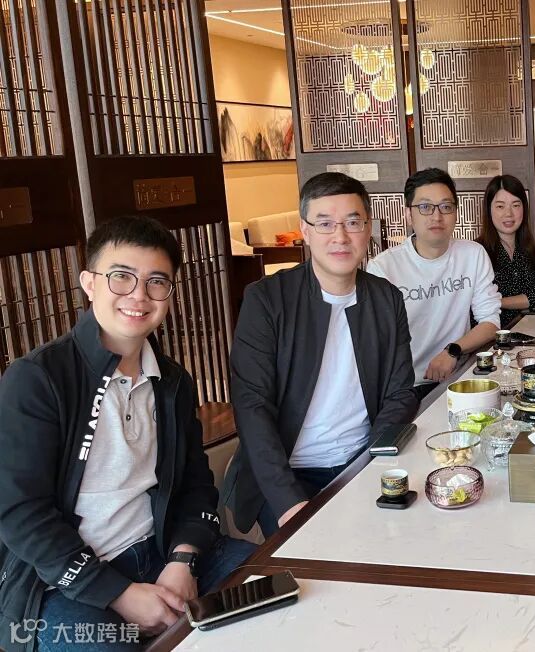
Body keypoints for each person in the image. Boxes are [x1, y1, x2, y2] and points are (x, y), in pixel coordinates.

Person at [0, 216, 256, 652]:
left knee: (272, 587)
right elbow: (20, 513)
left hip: (161, 551)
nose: (139, 295)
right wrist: (118, 593)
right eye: (121, 277)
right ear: (89, 283)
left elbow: (196, 484)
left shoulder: (172, 381)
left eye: (157, 282)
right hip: (62, 582)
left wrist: (183, 559)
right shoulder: (38, 378)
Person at [226, 172, 418, 538]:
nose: (340, 237)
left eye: (353, 223)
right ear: (305, 230)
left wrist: (371, 464)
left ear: (368, 229)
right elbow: (251, 406)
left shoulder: (386, 298)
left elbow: (399, 393)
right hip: (288, 473)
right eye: (325, 223)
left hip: (359, 461)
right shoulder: (267, 300)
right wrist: (287, 501)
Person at [366, 168, 501, 399]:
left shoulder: (473, 254)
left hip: (459, 377)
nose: (437, 216)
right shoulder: (383, 268)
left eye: (446, 207)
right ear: (409, 215)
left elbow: (490, 321)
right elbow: (376, 343)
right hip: (405, 387)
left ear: (455, 212)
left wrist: (453, 351)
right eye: (425, 207)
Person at [476, 174, 535, 328]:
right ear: (489, 209)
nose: (509, 214)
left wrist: (498, 302)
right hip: (492, 336)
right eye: (500, 206)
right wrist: (526, 300)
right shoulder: (477, 252)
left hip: (533, 333)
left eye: (516, 205)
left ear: (524, 208)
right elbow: (473, 303)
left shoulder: (534, 250)